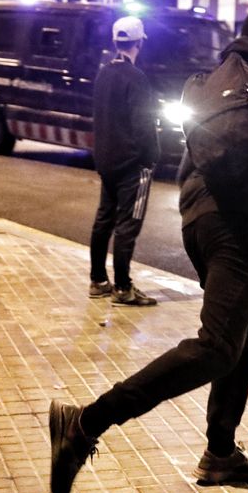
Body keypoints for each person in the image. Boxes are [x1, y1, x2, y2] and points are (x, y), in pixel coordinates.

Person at [49, 8, 248, 493]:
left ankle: (220, 452)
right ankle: (85, 423)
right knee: (217, 347)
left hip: (197, 221)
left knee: (247, 323)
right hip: (235, 225)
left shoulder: (212, 79)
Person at [88, 15, 160, 306]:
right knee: (128, 224)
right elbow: (143, 124)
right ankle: (123, 288)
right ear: (139, 43)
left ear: (116, 43)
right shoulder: (136, 78)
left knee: (104, 218)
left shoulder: (104, 73)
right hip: (133, 164)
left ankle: (97, 280)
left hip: (106, 159)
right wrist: (151, 157)